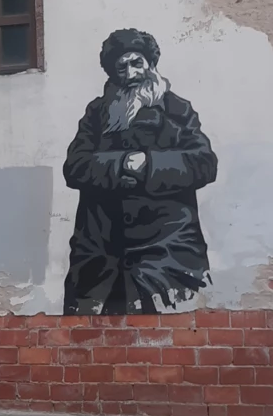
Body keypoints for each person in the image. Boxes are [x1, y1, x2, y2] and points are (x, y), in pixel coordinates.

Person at [62, 29, 218, 315]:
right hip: (99, 257)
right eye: (121, 67)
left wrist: (148, 164)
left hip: (168, 253)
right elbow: (75, 166)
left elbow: (204, 163)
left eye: (137, 63)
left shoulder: (177, 110)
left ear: (151, 65)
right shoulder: (97, 114)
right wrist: (121, 163)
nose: (130, 73)